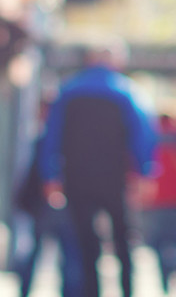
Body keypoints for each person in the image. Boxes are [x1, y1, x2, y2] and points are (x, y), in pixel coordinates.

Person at [40, 42, 157, 297]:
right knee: (123, 239)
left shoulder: (68, 90)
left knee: (86, 241)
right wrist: (145, 173)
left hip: (77, 177)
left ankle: (91, 291)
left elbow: (51, 135)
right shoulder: (127, 92)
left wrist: (50, 176)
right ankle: (127, 290)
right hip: (114, 178)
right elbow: (143, 134)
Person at [13, 103, 82, 297]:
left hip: (58, 202)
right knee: (57, 251)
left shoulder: (54, 138)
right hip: (46, 203)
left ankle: (68, 291)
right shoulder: (49, 138)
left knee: (65, 252)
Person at [138, 112, 176, 293]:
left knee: (158, 243)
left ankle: (164, 281)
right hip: (173, 201)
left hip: (155, 200)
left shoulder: (149, 137)